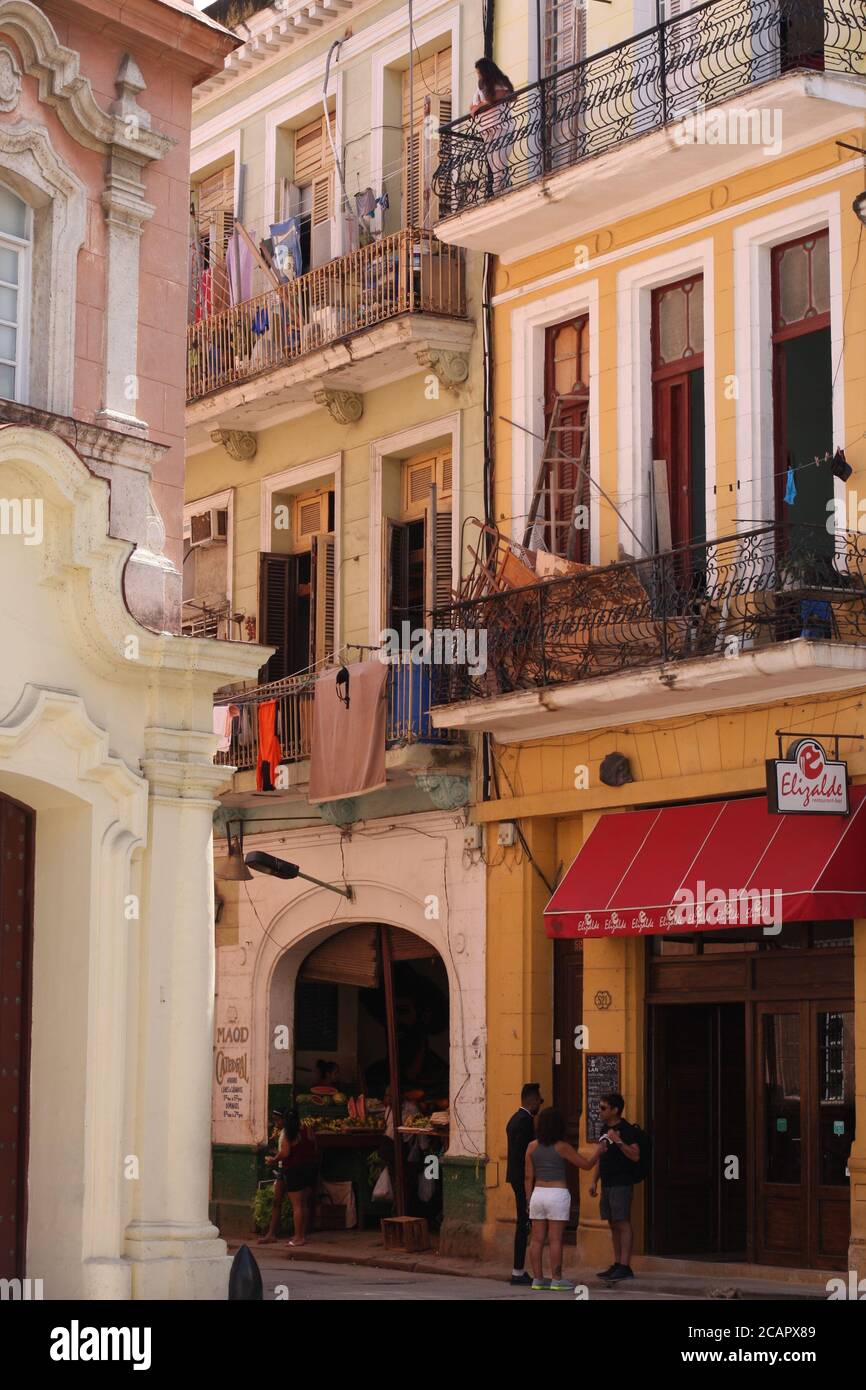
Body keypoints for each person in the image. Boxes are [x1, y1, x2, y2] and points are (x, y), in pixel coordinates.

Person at [525, 1107, 605, 1291]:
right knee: (555, 1239)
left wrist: (528, 1200)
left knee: (536, 1239)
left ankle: (537, 1279)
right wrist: (598, 1152)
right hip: (557, 1194)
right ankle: (557, 1279)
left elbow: (528, 1177)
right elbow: (585, 1165)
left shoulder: (531, 1146)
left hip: (538, 1193)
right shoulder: (562, 1146)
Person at [588, 1091, 642, 1282]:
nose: (599, 1111)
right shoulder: (603, 1128)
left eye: (603, 1108)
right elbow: (601, 1157)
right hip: (608, 1182)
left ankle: (626, 1265)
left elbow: (635, 1155)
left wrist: (618, 1141)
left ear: (615, 1110)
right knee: (612, 1223)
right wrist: (594, 1180)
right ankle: (617, 1263)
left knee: (623, 1222)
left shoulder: (626, 1129)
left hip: (622, 1182)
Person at [258, 1108, 319, 1248]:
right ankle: (301, 1234)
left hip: (292, 1169)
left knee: (296, 1205)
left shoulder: (288, 1134)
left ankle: (298, 1237)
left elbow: (285, 1153)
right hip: (307, 1168)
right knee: (303, 1204)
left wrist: (273, 1159)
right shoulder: (307, 1129)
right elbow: (314, 1147)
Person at [505, 1082, 542, 1285]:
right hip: (522, 1178)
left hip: (515, 1176)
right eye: (540, 1101)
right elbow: (525, 1155)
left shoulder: (514, 1118)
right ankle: (518, 1271)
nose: (540, 1106)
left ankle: (518, 1270)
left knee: (523, 1222)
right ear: (533, 1101)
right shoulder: (526, 1121)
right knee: (523, 1223)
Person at [470, 58, 515, 195]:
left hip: (502, 126)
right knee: (494, 164)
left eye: (479, 72)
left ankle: (500, 192)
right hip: (487, 129)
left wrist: (482, 104)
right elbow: (472, 107)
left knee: (499, 160)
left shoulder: (499, 81)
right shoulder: (480, 86)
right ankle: (503, 191)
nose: (478, 75)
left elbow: (503, 95)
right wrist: (480, 105)